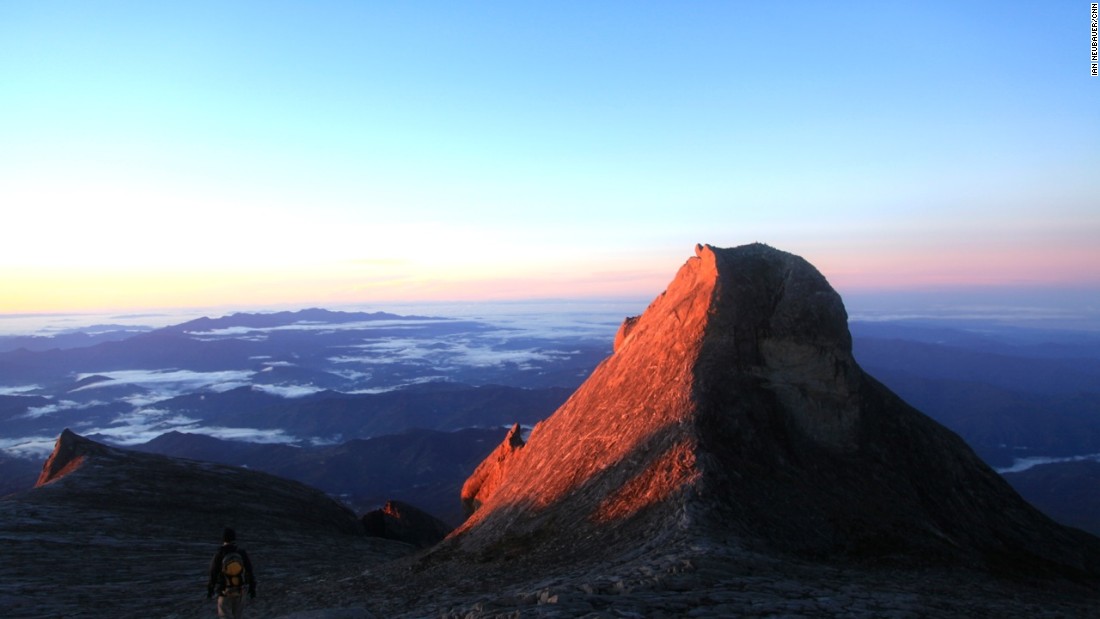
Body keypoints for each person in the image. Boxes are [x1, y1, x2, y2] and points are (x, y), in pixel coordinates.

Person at [206, 527, 257, 618]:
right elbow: (249, 571)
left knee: (224, 616)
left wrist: (210, 589)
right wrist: (252, 588)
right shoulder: (241, 552)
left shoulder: (220, 553)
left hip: (224, 591)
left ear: (223, 539)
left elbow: (213, 572)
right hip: (240, 591)